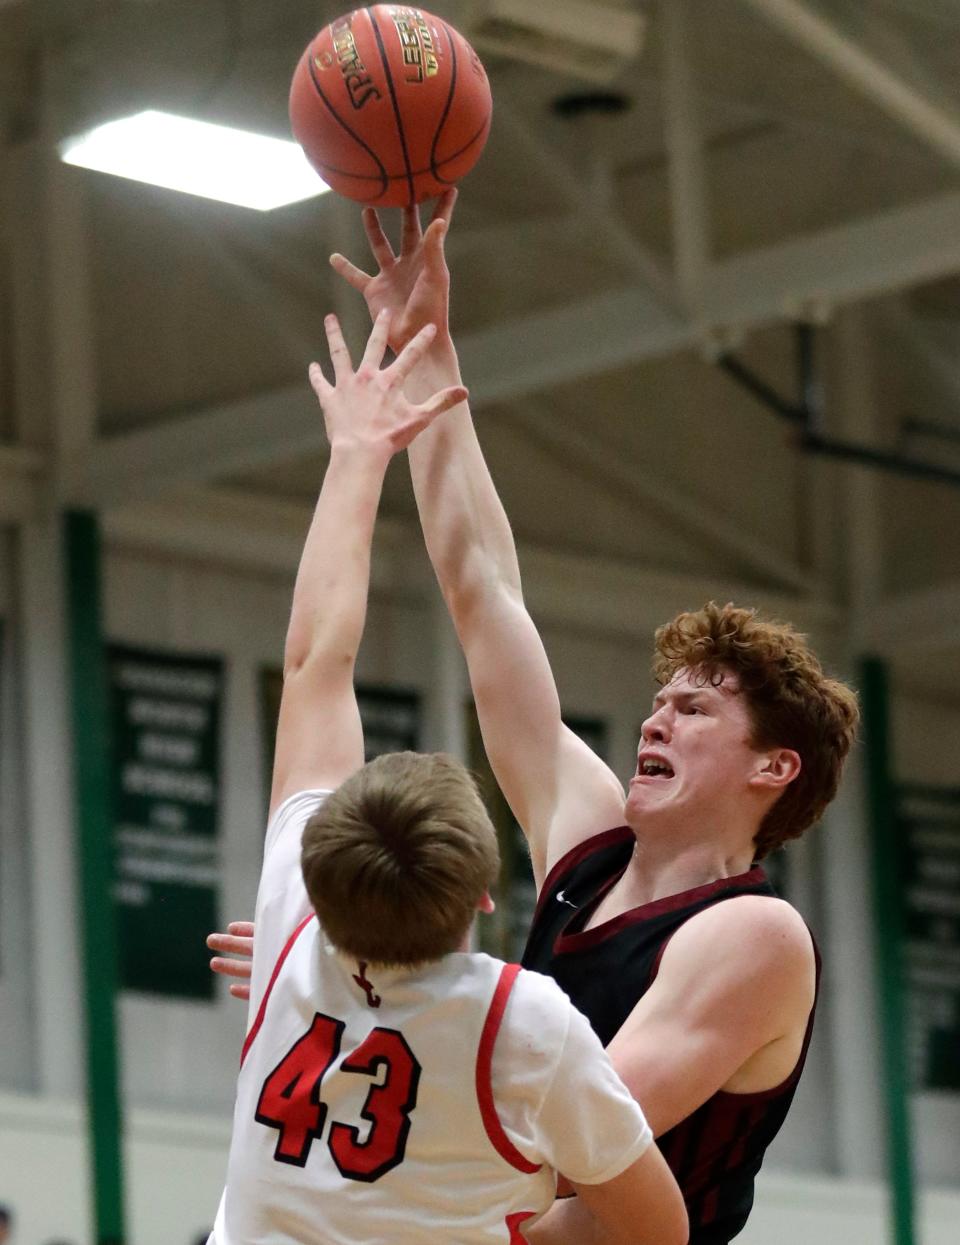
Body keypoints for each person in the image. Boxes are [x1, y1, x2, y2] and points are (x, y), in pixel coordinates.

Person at [211, 193, 859, 1244]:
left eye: (693, 710)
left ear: (775, 768)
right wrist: (430, 346)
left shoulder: (754, 934)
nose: (656, 720)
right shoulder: (590, 841)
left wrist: (361, 981)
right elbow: (482, 592)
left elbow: (568, 1147)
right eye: (657, 700)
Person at [207, 310, 688, 1245]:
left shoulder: (288, 932)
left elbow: (315, 662)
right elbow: (655, 1228)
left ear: (319, 871)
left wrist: (354, 454)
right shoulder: (525, 1022)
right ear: (480, 899)